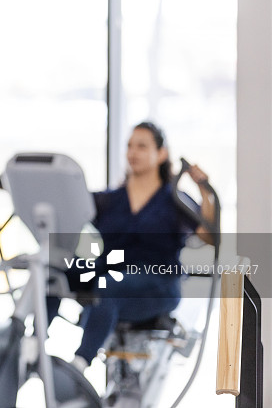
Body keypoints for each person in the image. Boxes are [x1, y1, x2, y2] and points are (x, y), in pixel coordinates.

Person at [60, 121, 215, 372]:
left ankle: (78, 365)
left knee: (110, 287)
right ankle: (31, 348)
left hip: (159, 281)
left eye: (142, 146)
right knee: (53, 272)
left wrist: (204, 190)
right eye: (130, 146)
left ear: (161, 154)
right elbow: (68, 200)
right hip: (112, 272)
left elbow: (209, 236)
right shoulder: (110, 200)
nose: (133, 153)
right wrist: (9, 184)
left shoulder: (173, 199)